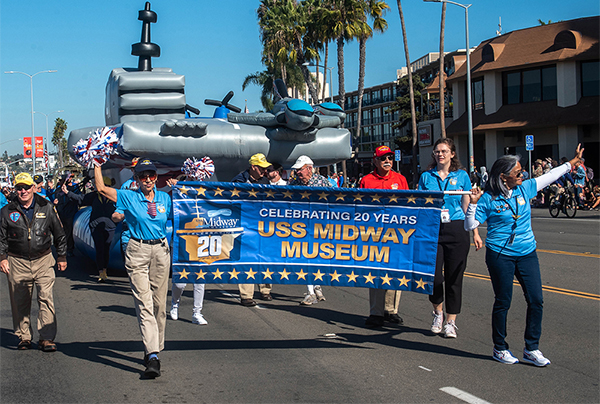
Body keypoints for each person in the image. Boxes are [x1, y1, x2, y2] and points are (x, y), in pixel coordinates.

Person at [465, 144, 584, 366]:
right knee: (503, 301)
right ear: (503, 176)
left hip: (527, 253)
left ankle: (531, 348)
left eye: (522, 171)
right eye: (518, 172)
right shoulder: (489, 198)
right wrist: (472, 204)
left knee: (536, 300)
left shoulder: (525, 188)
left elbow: (551, 176)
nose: (523, 175)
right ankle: (499, 348)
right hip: (500, 255)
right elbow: (470, 224)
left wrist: (573, 163)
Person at [94, 159, 172, 378]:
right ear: (136, 179)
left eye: (151, 175)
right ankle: (153, 355)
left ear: (156, 177)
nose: (147, 179)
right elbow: (100, 188)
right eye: (143, 176)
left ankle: (154, 347)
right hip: (137, 249)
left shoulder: (165, 197)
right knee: (144, 302)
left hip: (161, 251)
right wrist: (97, 163)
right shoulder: (129, 196)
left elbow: (191, 208)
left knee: (159, 305)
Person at [418, 138, 483, 338]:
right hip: (433, 229)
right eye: (437, 151)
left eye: (444, 151)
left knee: (455, 276)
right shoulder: (426, 177)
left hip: (456, 227)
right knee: (435, 276)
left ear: (452, 154)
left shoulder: (462, 176)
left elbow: (467, 207)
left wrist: (475, 232)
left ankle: (451, 321)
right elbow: (420, 206)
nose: (440, 154)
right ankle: (437, 312)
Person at [0, 172, 67, 352]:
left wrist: (61, 256)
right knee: (21, 301)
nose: (23, 191)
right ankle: (24, 336)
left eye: (26, 187)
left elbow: (59, 233)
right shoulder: (7, 211)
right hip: (17, 260)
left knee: (46, 298)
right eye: (19, 188)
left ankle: (46, 338)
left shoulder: (46, 207)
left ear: (33, 188)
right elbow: (1, 238)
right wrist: (2, 258)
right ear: (15, 190)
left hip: (43, 259)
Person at [359, 145, 408, 328]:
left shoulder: (400, 179)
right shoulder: (366, 180)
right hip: (374, 233)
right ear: (375, 161)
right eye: (383, 158)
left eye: (389, 158)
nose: (387, 161)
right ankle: (376, 312)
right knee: (376, 271)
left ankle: (391, 310)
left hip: (396, 232)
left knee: (395, 269)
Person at [232, 153, 273, 307]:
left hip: (263, 225)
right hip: (245, 225)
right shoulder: (239, 180)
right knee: (246, 258)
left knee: (265, 256)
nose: (264, 171)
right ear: (253, 167)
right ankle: (246, 295)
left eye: (265, 169)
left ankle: (265, 290)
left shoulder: (265, 181)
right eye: (261, 168)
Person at [288, 155, 331, 305]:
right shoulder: (293, 184)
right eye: (297, 170)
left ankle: (316, 285)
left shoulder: (322, 182)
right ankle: (311, 291)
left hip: (320, 225)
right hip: (301, 226)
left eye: (300, 170)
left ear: (309, 169)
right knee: (305, 256)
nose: (298, 173)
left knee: (318, 257)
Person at [62, 177, 116, 282]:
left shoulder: (115, 196)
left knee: (107, 249)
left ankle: (104, 268)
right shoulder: (94, 196)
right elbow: (80, 199)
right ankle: (101, 271)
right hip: (96, 226)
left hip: (110, 226)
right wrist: (67, 192)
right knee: (99, 248)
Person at [54, 173, 80, 256]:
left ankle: (69, 249)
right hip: (61, 212)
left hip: (70, 212)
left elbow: (78, 198)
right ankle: (61, 248)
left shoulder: (75, 187)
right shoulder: (58, 189)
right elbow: (54, 199)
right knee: (61, 231)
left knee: (69, 231)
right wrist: (55, 203)